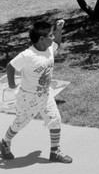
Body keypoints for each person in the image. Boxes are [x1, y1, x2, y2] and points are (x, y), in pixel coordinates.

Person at [0, 20, 72, 163]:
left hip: (45, 95)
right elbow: (10, 66)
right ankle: (5, 142)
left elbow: (58, 42)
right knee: (21, 122)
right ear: (41, 39)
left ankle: (55, 152)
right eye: (50, 35)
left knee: (55, 120)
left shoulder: (49, 48)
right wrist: (12, 84)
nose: (52, 38)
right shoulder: (28, 55)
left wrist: (58, 29)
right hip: (28, 97)